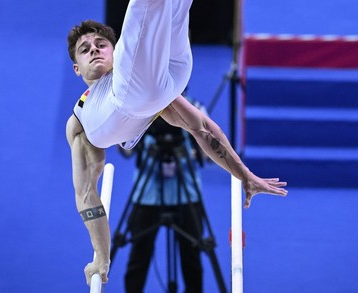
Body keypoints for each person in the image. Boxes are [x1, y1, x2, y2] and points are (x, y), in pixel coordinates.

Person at [65, 0, 287, 287]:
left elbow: (203, 129)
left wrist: (243, 173)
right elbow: (86, 194)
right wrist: (101, 256)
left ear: (114, 50)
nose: (94, 49)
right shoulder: (80, 122)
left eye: (101, 44)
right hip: (152, 83)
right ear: (76, 69)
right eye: (85, 49)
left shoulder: (133, 71)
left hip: (154, 82)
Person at [121, 105, 207, 293]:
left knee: (192, 256)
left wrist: (197, 150)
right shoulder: (140, 109)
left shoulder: (195, 109)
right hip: (148, 194)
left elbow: (210, 152)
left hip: (186, 194)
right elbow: (125, 149)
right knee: (139, 255)